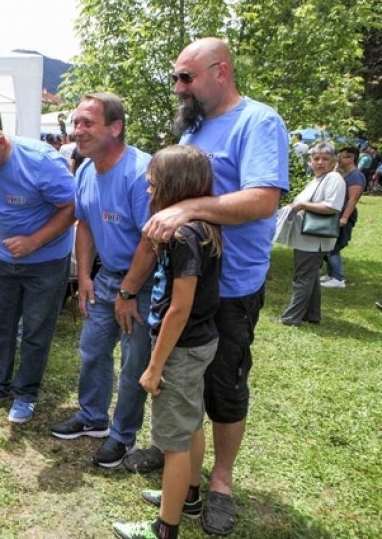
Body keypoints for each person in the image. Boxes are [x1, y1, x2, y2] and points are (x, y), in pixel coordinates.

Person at [140, 37, 289, 536]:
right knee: (187, 385)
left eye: (187, 77)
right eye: (177, 78)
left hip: (233, 286)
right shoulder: (195, 125)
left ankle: (220, 483)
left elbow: (264, 199)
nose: (179, 87)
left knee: (224, 388)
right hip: (188, 282)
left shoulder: (258, 121)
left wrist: (188, 208)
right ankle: (185, 477)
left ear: (220, 72)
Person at [113, 145, 222, 539]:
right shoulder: (202, 227)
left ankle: (165, 527)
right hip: (200, 343)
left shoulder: (182, 236)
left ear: (172, 187)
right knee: (191, 423)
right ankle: (188, 496)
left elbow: (179, 308)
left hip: (181, 348)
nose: (147, 191)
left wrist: (155, 365)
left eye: (152, 185)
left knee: (173, 443)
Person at [50, 93, 156, 470]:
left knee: (133, 364)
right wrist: (83, 276)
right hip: (106, 276)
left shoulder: (141, 172)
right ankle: (92, 418)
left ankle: (122, 437)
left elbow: (152, 239)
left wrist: (128, 292)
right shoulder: (83, 170)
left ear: (116, 126)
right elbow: (85, 224)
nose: (78, 131)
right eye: (77, 122)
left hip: (143, 283)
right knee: (92, 350)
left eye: (88, 123)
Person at [0, 119, 75, 423]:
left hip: (47, 260)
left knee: (35, 330)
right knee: (0, 323)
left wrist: (33, 241)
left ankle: (26, 393)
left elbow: (72, 207)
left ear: (2, 143)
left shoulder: (40, 162)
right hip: (4, 257)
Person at [277, 141, 345, 325]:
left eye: (325, 158)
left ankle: (291, 318)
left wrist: (302, 205)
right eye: (316, 158)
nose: (320, 162)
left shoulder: (333, 178)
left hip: (314, 239)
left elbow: (332, 206)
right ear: (311, 160)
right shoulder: (317, 179)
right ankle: (312, 314)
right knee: (310, 276)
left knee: (302, 277)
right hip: (307, 237)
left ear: (333, 161)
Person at [320, 145, 365, 289]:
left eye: (342, 156)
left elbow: (353, 199)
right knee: (329, 243)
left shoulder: (356, 175)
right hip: (337, 214)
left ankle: (338, 278)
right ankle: (331, 275)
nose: (338, 159)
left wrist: (344, 218)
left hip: (345, 215)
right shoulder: (344, 174)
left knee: (334, 246)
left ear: (351, 158)